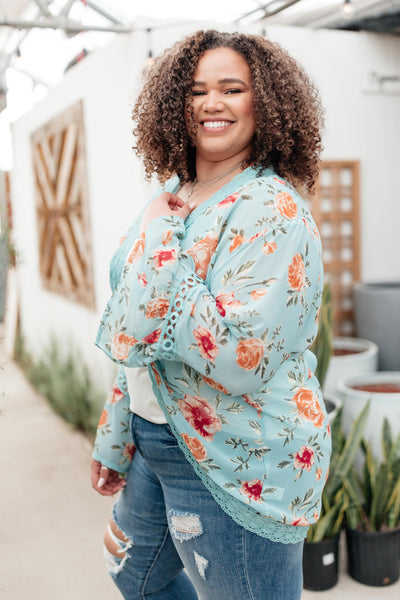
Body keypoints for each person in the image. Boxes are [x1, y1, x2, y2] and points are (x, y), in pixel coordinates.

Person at [91, 29, 330, 600]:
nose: (212, 104)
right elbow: (134, 327)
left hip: (234, 456)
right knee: (132, 575)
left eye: (232, 88)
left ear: (265, 102)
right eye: (197, 91)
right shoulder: (175, 192)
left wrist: (159, 239)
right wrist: (116, 433)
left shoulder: (274, 212)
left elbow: (238, 357)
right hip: (155, 441)